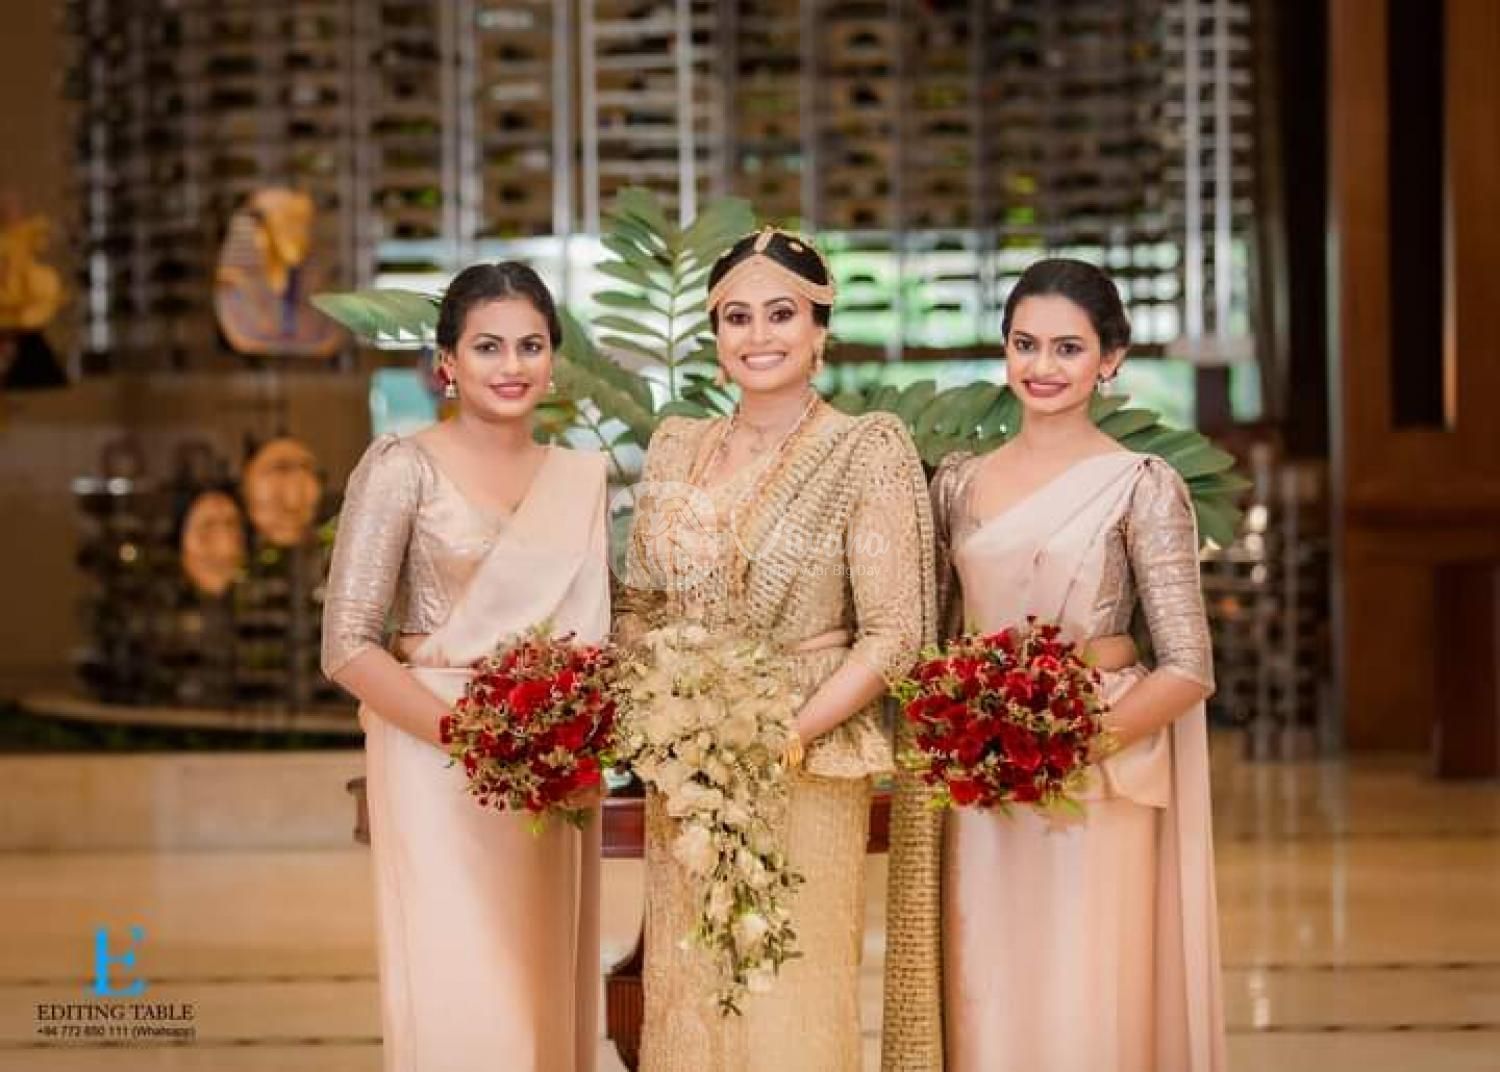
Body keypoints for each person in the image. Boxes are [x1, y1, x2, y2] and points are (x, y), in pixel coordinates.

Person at [883, 258, 1227, 1072]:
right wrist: (975, 740)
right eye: (1025, 344)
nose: (1042, 366)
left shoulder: (1143, 485)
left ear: (1111, 358)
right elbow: (935, 643)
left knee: (1085, 988)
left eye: (1068, 348)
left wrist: (1068, 743)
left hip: (1099, 775)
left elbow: (1188, 665)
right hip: (980, 780)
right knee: (989, 987)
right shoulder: (956, 484)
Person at [618, 227, 935, 1071]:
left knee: (790, 995)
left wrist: (784, 733)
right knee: (690, 994)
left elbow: (894, 634)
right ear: (715, 335)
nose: (758, 335)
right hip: (687, 767)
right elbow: (638, 602)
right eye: (737, 317)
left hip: (807, 759)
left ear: (820, 328)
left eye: (782, 314)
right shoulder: (678, 444)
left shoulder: (865, 450)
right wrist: (666, 711)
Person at [321, 261, 608, 1072]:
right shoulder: (400, 468)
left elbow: (600, 635)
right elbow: (346, 642)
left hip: (551, 764)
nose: (511, 365)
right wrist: (473, 736)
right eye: (488, 346)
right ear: (448, 361)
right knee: (461, 990)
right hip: (435, 765)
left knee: (540, 988)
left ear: (554, 359)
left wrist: (560, 731)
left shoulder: (579, 477)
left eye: (530, 346)